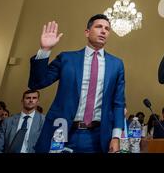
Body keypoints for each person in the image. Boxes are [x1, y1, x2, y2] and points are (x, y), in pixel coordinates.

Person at [28, 15, 125, 153]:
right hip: (63, 132)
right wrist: (45, 50)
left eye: (107, 29)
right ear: (87, 32)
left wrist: (116, 137)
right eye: (99, 27)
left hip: (98, 136)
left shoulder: (116, 64)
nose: (103, 31)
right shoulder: (67, 58)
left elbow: (119, 103)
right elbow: (36, 83)